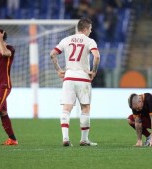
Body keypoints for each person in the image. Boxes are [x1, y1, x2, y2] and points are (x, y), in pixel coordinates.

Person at [50, 17, 100, 147]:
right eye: (90, 29)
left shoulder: (66, 40)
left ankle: (65, 138)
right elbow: (97, 56)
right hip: (83, 78)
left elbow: (52, 54)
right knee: (85, 107)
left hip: (69, 77)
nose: (91, 31)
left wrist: (58, 70)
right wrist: (94, 71)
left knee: (66, 108)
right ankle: (84, 140)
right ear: (85, 29)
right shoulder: (89, 41)